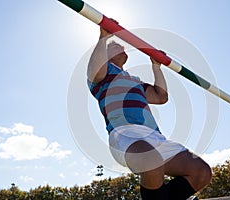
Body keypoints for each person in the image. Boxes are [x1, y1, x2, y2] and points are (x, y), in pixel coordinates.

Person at [87, 24, 212, 200]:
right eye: (115, 46)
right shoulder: (103, 74)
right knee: (151, 161)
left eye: (122, 46)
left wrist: (156, 66)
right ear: (105, 53)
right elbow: (95, 70)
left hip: (155, 137)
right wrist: (104, 37)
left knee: (201, 172)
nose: (122, 47)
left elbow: (161, 96)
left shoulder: (134, 81)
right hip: (125, 134)